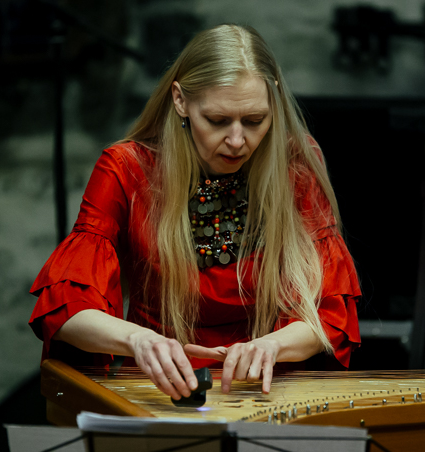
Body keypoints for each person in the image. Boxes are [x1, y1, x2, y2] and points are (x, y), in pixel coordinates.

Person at [28, 24, 361, 400]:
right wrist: (138, 340)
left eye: (255, 121)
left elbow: (330, 311)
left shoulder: (294, 164)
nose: (237, 141)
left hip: (265, 392)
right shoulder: (126, 169)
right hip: (160, 390)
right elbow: (66, 310)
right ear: (180, 101)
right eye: (217, 121)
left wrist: (272, 345)